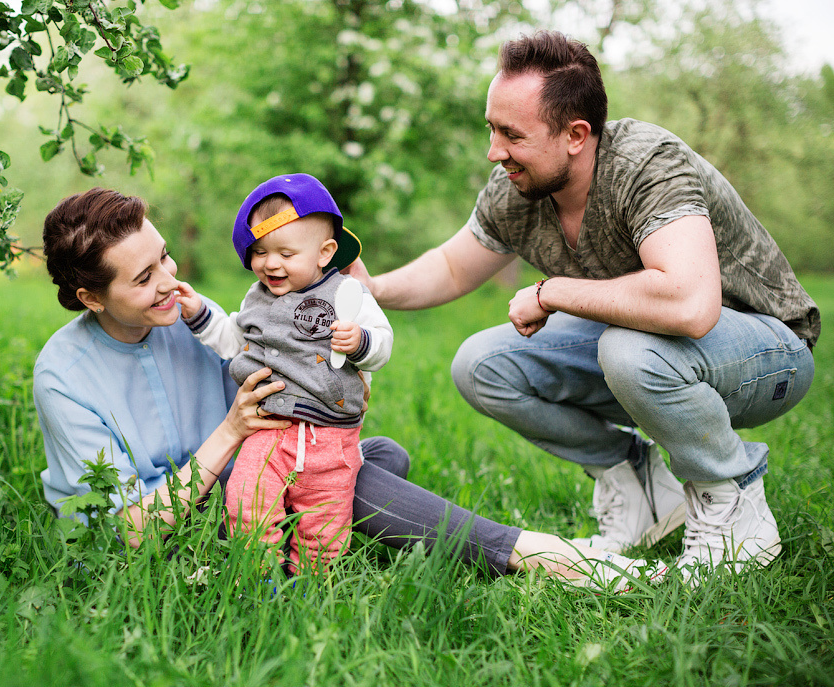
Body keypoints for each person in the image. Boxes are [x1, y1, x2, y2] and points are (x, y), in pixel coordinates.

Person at [345, 31, 819, 582]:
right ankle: (636, 485)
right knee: (481, 364)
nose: (494, 151)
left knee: (630, 348)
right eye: (490, 129)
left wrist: (554, 292)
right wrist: (373, 288)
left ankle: (734, 505)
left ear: (575, 135)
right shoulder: (516, 188)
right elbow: (452, 267)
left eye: (511, 134)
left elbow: (690, 305)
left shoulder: (647, 164)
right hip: (656, 352)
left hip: (770, 351)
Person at [32, 185, 661, 590]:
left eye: (165, 258)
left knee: (372, 457)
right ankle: (537, 556)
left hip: (259, 480)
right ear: (90, 297)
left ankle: (358, 513)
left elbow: (272, 377)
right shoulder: (65, 378)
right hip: (179, 520)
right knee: (358, 479)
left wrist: (330, 388)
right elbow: (126, 533)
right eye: (145, 277)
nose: (170, 280)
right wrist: (230, 432)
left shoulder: (184, 319)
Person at [176, 173, 392, 572]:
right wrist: (200, 316)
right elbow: (233, 340)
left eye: (286, 254)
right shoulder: (256, 298)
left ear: (325, 253)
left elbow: (382, 343)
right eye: (259, 252)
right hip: (269, 429)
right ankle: (260, 578)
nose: (270, 263)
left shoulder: (347, 295)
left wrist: (361, 341)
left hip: (330, 435)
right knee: (246, 504)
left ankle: (310, 584)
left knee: (324, 526)